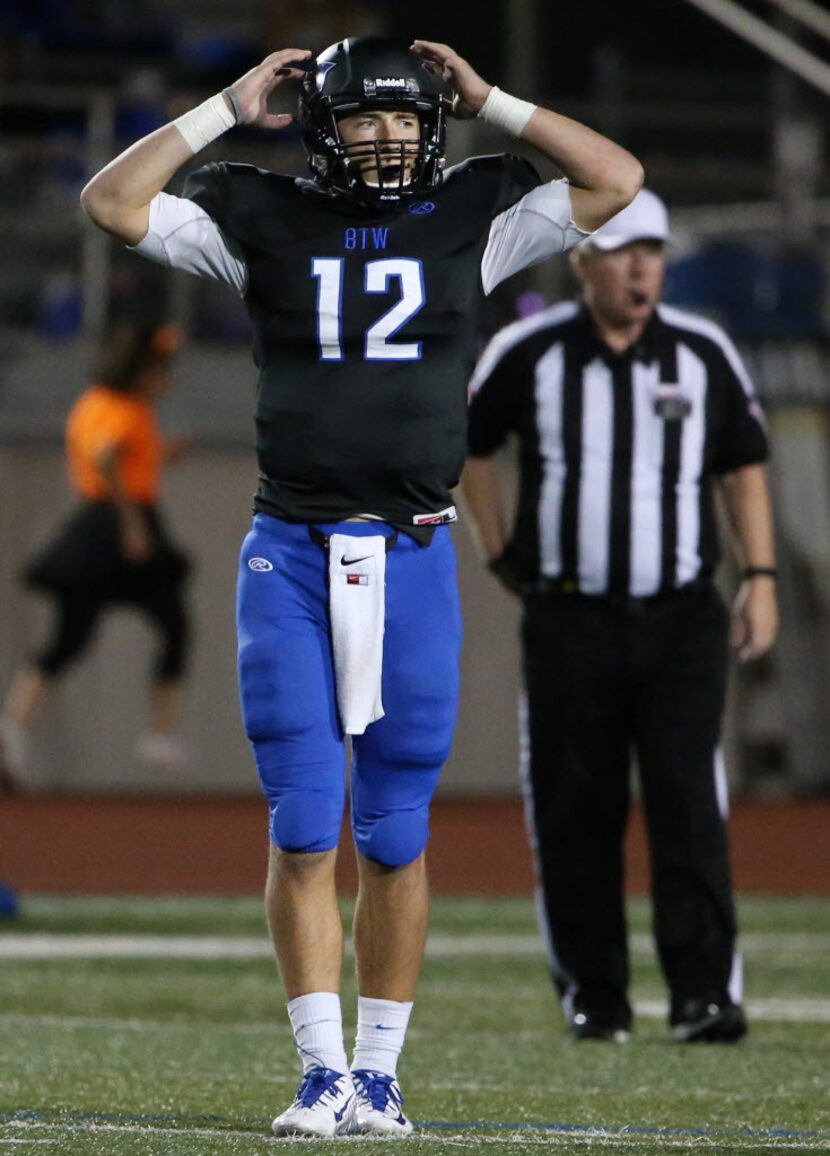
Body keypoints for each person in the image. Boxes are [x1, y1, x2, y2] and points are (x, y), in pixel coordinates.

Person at [79, 35, 642, 1136]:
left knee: (391, 830)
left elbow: (616, 179)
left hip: (414, 551)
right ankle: (319, 1071)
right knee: (301, 825)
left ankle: (379, 1076)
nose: (385, 137)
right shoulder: (262, 214)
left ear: (432, 126)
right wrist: (222, 109)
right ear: (320, 127)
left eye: (404, 118)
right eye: (362, 117)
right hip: (288, 549)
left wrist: (494, 100)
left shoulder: (471, 214)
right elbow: (111, 202)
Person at [462, 188, 777, 1046]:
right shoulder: (529, 352)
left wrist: (761, 574)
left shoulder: (703, 351)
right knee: (575, 807)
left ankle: (703, 991)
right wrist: (496, 550)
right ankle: (594, 992)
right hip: (570, 620)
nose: (642, 267)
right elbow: (470, 445)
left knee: (688, 804)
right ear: (582, 260)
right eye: (623, 250)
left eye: (654, 252)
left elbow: (743, 466)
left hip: (679, 619)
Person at [0, 321, 192, 787]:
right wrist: (131, 526)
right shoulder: (117, 407)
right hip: (113, 523)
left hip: (107, 520)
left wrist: (162, 454)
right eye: (159, 371)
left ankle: (14, 724)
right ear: (141, 371)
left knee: (75, 637)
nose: (165, 381)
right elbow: (105, 458)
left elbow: (123, 459)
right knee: (169, 624)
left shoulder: (108, 406)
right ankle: (157, 732)